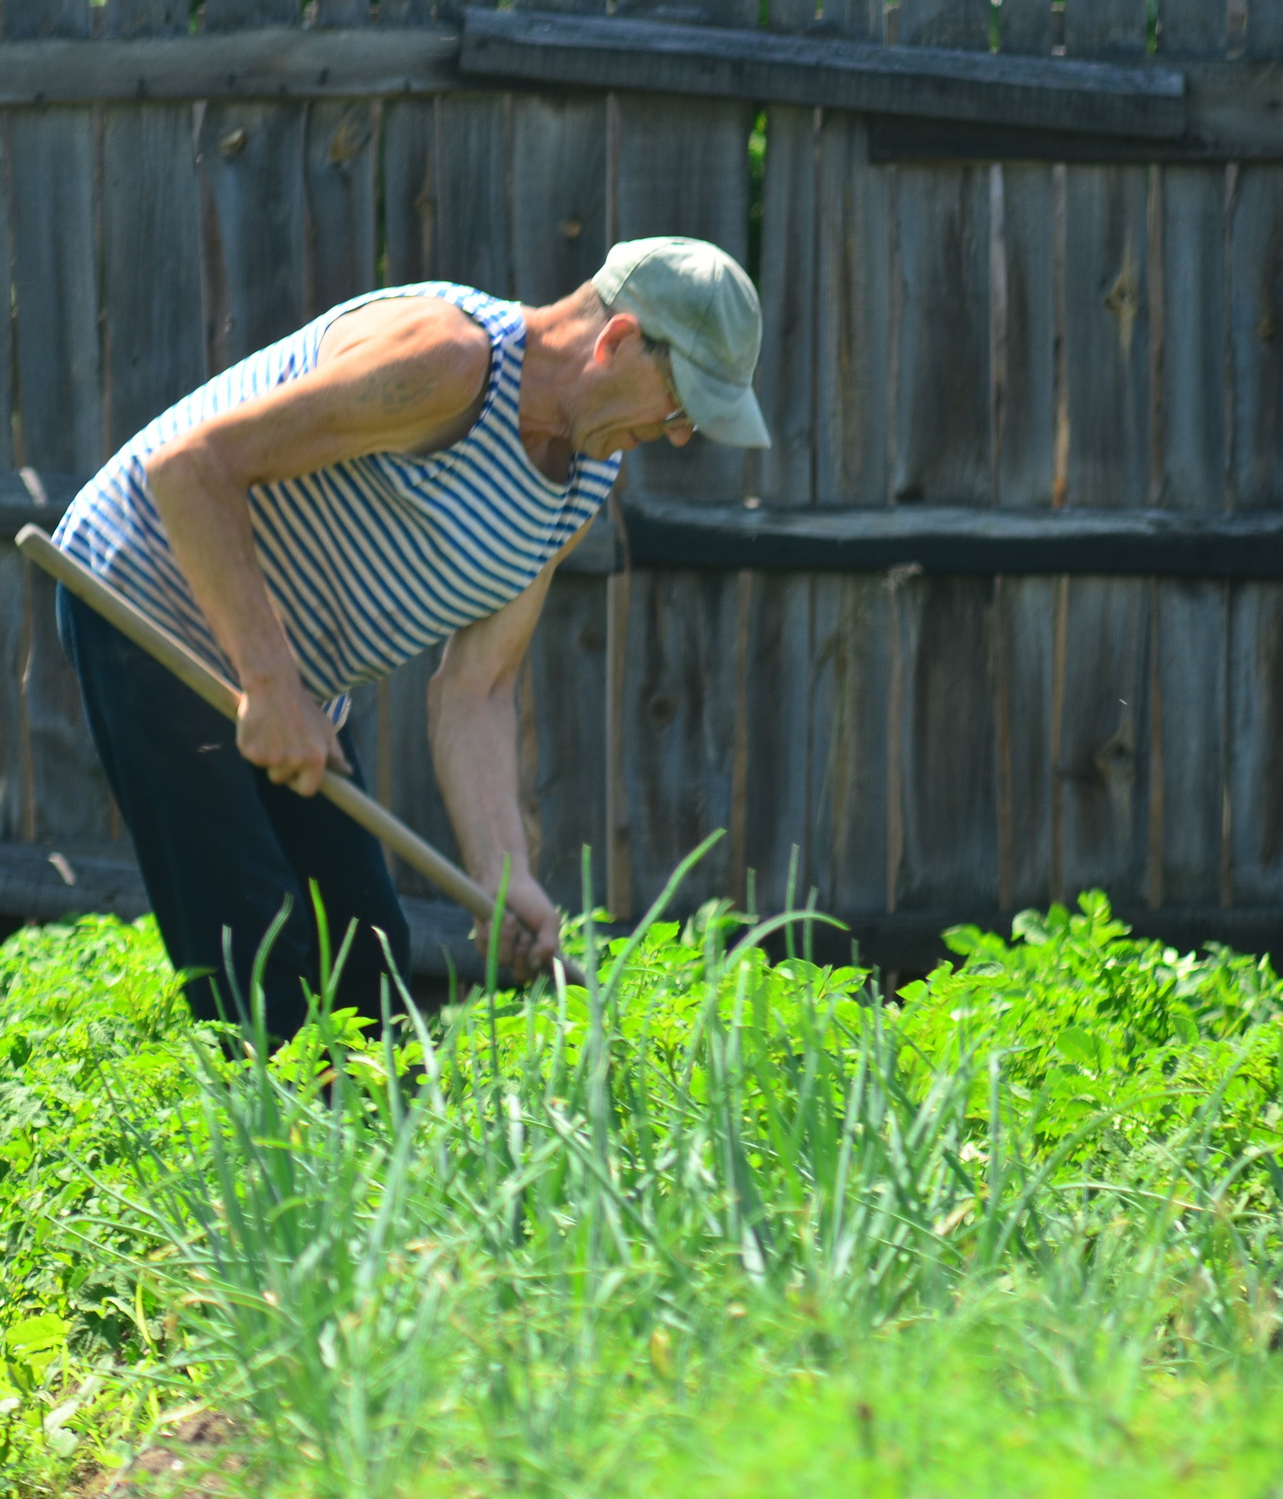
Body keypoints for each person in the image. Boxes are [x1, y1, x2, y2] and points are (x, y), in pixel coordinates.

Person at [51, 237, 770, 1038]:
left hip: (287, 675)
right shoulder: (448, 362)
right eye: (679, 405)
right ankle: (264, 1156)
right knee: (257, 958)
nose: (678, 435)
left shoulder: (582, 478)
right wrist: (272, 686)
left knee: (365, 961)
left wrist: (504, 880)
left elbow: (477, 688)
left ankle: (366, 1159)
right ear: (620, 341)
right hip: (148, 598)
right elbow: (190, 468)